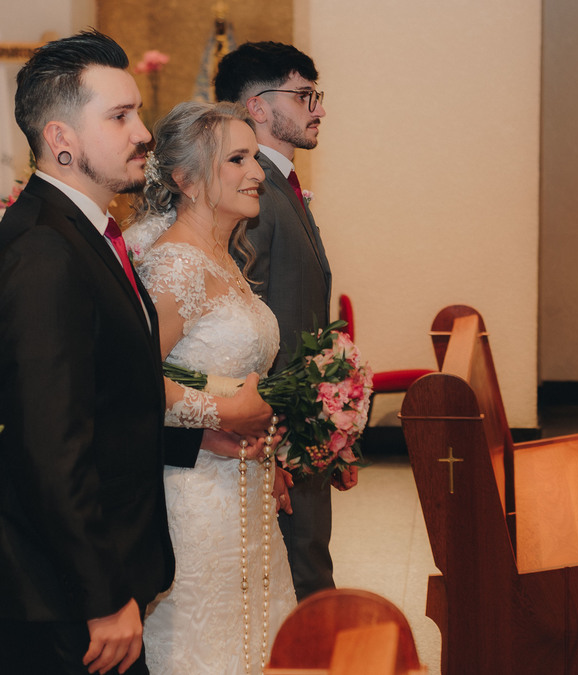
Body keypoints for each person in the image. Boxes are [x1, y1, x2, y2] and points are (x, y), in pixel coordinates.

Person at [0, 31, 270, 675]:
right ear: (61, 139)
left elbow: (104, 398)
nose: (144, 133)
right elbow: (48, 445)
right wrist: (99, 597)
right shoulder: (44, 251)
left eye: (138, 114)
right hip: (47, 587)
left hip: (70, 573)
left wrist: (194, 440)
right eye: (120, 117)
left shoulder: (85, 233)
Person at [125, 101, 298, 674]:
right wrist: (224, 415)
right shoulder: (176, 266)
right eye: (237, 159)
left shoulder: (222, 257)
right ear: (186, 179)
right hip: (193, 495)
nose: (257, 173)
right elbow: (130, 383)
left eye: (255, 158)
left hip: (240, 482)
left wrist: (261, 444)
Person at [214, 41, 358, 602]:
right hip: (274, 429)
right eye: (303, 96)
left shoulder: (282, 188)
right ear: (257, 106)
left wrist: (330, 424)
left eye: (315, 95)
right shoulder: (255, 197)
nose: (318, 109)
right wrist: (275, 440)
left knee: (308, 565)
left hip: (299, 425)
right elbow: (242, 326)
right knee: (302, 576)